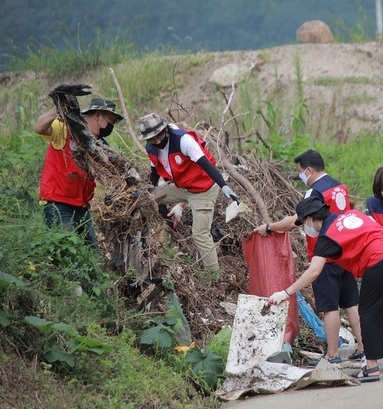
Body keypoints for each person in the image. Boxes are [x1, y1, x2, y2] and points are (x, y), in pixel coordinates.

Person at [269, 195, 383, 384]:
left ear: (309, 219)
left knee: (368, 313)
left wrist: (285, 292)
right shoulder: (350, 214)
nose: (305, 228)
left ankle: (371, 367)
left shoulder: (326, 237)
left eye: (303, 224)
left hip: (380, 259)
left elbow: (313, 272)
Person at [256, 149, 364, 364]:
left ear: (309, 170)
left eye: (300, 172)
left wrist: (269, 227)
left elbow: (295, 221)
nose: (301, 177)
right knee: (352, 303)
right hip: (346, 252)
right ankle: (363, 347)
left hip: (325, 256)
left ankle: (332, 354)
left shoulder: (314, 192)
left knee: (329, 307)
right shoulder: (340, 186)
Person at [138, 113, 239, 275]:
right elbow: (154, 174)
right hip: (182, 187)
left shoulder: (183, 141)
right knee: (149, 198)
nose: (157, 141)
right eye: (152, 139)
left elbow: (207, 165)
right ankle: (166, 229)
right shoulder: (152, 148)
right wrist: (148, 192)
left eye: (159, 136)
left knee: (199, 234)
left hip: (203, 189)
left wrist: (224, 186)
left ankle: (214, 277)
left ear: (165, 130)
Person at [35, 94, 123, 247]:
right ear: (98, 116)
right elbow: (39, 127)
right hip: (58, 204)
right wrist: (58, 110)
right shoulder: (65, 129)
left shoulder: (97, 145)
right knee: (67, 251)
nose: (111, 126)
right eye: (110, 120)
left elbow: (111, 173)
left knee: (91, 254)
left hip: (81, 207)